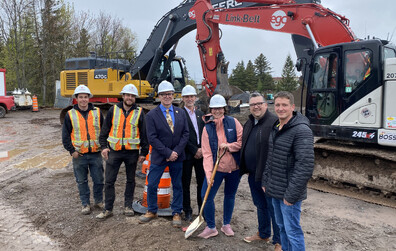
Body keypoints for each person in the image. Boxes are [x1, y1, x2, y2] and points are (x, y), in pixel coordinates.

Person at [262, 91, 314, 251]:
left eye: (284, 105)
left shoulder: (301, 130)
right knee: (281, 227)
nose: (280, 108)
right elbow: (270, 157)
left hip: (289, 194)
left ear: (292, 106)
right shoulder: (277, 127)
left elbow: (305, 165)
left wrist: (291, 195)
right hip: (275, 190)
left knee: (293, 231)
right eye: (277, 105)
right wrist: (265, 180)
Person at [139, 80, 189, 228]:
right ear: (159, 96)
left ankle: (177, 212)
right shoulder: (152, 115)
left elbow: (185, 134)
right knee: (152, 184)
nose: (167, 96)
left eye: (169, 94)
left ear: (173, 96)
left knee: (177, 185)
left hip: (177, 157)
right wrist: (167, 153)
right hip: (159, 157)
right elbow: (152, 138)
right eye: (163, 94)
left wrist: (176, 152)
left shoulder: (181, 113)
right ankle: (152, 210)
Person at [96, 84, 149, 220]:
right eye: (127, 95)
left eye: (132, 96)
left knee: (131, 180)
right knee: (109, 181)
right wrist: (104, 147)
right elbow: (104, 131)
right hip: (114, 152)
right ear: (123, 96)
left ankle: (128, 206)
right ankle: (108, 209)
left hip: (132, 153)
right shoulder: (114, 110)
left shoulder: (139, 112)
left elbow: (144, 134)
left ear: (134, 98)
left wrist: (144, 152)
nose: (129, 98)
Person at [240, 92, 281, 250]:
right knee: (260, 205)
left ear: (266, 104)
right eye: (252, 105)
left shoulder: (274, 123)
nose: (256, 107)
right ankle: (263, 234)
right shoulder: (250, 122)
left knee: (273, 208)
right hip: (253, 175)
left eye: (259, 103)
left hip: (269, 176)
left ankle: (279, 241)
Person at [198, 94, 243, 239]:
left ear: (224, 108)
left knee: (230, 196)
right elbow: (206, 153)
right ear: (211, 109)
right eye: (214, 108)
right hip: (216, 170)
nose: (217, 111)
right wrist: (209, 174)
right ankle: (211, 227)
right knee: (206, 195)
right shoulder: (207, 128)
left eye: (220, 108)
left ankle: (226, 224)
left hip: (234, 169)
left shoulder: (234, 122)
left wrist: (229, 146)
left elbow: (242, 143)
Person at [62, 85, 104, 215]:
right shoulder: (70, 114)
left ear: (89, 98)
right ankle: (85, 204)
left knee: (98, 180)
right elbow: (65, 136)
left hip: (96, 154)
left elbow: (105, 131)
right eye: (81, 97)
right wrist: (72, 151)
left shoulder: (97, 112)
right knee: (81, 181)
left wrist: (104, 147)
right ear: (76, 98)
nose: (83, 100)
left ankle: (98, 201)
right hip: (79, 155)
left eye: (85, 97)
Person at [181, 85, 205, 222]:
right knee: (185, 183)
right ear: (183, 98)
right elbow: (180, 136)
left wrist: (201, 149)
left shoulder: (200, 114)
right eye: (187, 97)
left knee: (202, 183)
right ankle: (187, 210)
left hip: (201, 155)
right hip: (187, 154)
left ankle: (202, 210)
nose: (189, 99)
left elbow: (204, 134)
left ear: (195, 98)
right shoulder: (179, 114)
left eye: (191, 96)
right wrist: (194, 150)